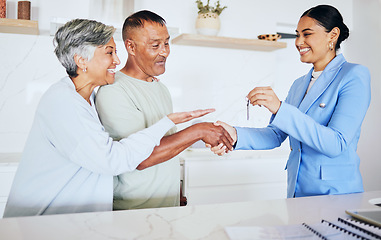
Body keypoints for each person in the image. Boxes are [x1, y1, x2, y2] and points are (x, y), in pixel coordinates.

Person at [3, 19, 224, 218]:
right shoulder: (63, 103)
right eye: (109, 52)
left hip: (75, 222)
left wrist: (171, 194)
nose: (117, 60)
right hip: (42, 223)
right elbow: (114, 159)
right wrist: (179, 125)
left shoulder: (83, 99)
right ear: (81, 60)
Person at [210, 5, 371, 198]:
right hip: (297, 191)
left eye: (307, 34)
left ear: (332, 35)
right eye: (297, 35)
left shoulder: (354, 75)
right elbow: (275, 135)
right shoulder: (299, 84)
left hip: (336, 194)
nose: (298, 42)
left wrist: (280, 108)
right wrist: (234, 135)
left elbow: (336, 143)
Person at [95, 10, 233, 210]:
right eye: (155, 45)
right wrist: (198, 131)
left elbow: (168, 144)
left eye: (167, 43)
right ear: (130, 46)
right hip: (133, 211)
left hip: (168, 207)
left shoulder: (162, 89)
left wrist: (176, 191)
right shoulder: (114, 91)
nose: (165, 52)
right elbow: (139, 158)